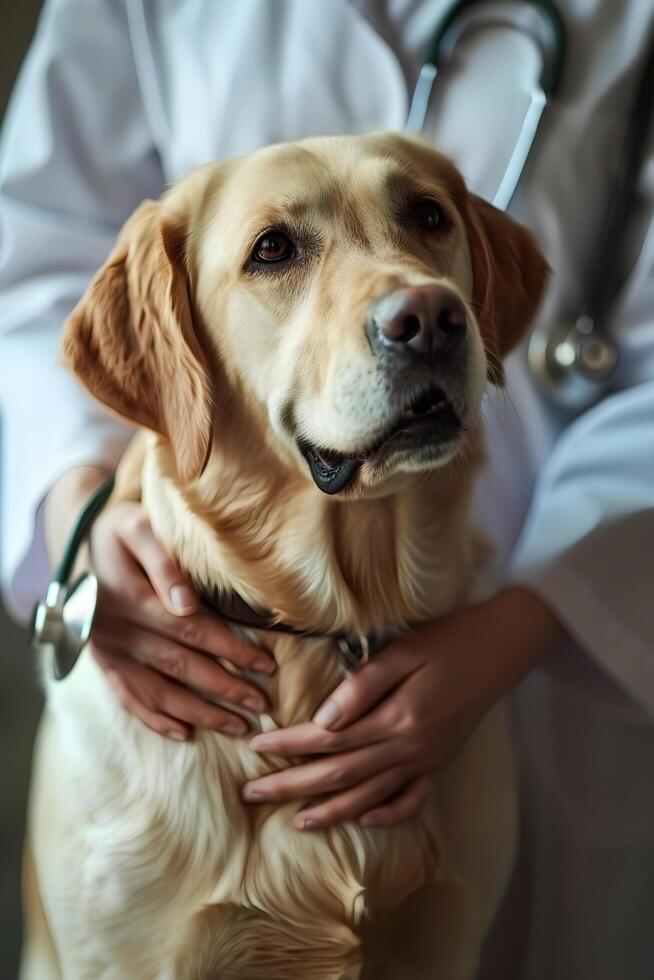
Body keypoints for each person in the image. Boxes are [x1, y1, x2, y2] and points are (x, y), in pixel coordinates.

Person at [1, 2, 653, 977]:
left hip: (496, 660)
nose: (413, 299)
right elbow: (33, 257)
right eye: (278, 250)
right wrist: (73, 512)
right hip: (157, 627)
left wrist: (525, 623)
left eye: (426, 222)